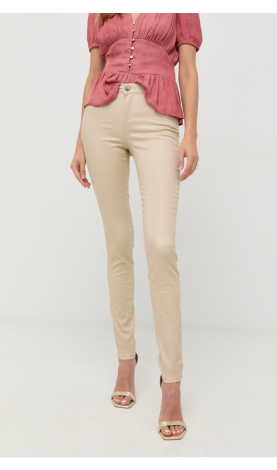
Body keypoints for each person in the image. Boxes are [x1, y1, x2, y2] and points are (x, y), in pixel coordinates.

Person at [71, 13, 202, 440]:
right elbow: (94, 71)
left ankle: (172, 382)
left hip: (156, 118)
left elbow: (187, 67)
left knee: (160, 244)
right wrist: (79, 140)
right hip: (101, 120)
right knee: (118, 243)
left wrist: (191, 135)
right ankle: (125, 361)